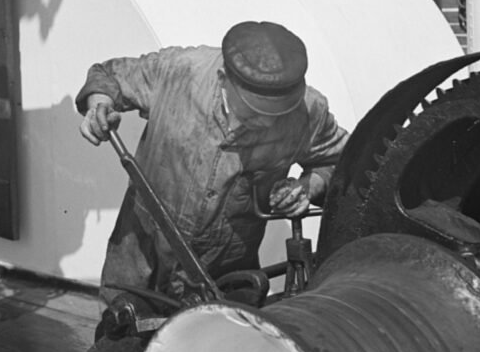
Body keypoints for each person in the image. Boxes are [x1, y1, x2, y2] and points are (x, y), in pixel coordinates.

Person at [76, 20, 348, 301]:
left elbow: (340, 164)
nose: (267, 122)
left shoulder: (308, 111)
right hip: (139, 261)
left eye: (278, 113)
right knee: (118, 341)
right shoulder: (178, 71)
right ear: (222, 81)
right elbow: (107, 76)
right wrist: (100, 105)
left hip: (223, 278)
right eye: (254, 111)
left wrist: (307, 187)